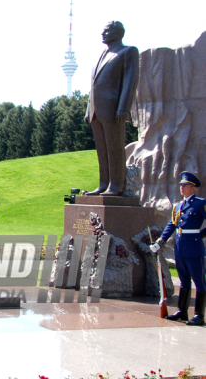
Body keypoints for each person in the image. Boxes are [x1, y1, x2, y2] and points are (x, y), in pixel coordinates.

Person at [84, 21, 139, 196]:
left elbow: (130, 81)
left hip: (114, 109)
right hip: (96, 111)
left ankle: (116, 186)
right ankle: (103, 184)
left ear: (118, 33)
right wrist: (88, 109)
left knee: (115, 149)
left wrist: (124, 107)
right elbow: (93, 86)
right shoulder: (100, 56)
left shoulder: (128, 51)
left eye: (106, 31)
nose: (103, 34)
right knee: (102, 150)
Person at [150, 172, 206, 326]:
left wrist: (201, 234)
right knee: (184, 281)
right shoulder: (178, 206)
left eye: (185, 185)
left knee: (199, 282)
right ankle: (182, 311)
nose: (182, 187)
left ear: (193, 188)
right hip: (180, 247)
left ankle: (199, 315)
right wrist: (161, 241)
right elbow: (172, 225)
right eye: (181, 185)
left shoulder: (200, 203)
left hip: (194, 247)